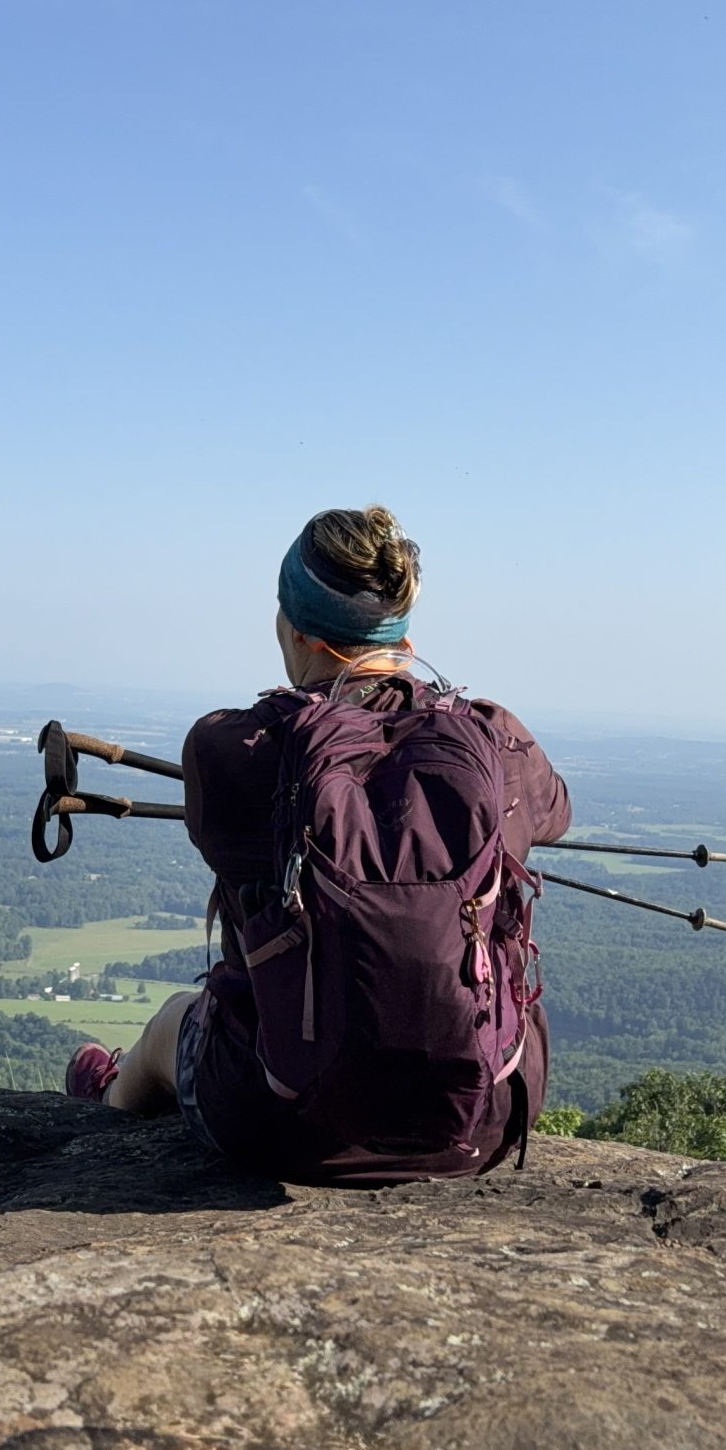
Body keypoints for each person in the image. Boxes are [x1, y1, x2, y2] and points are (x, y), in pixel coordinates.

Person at [65, 505, 571, 1183]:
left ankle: (106, 1099)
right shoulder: (495, 740)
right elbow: (555, 810)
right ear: (404, 634)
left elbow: (220, 828)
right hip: (477, 1124)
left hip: (277, 1125)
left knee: (168, 1024)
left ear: (293, 629)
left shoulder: (232, 749)